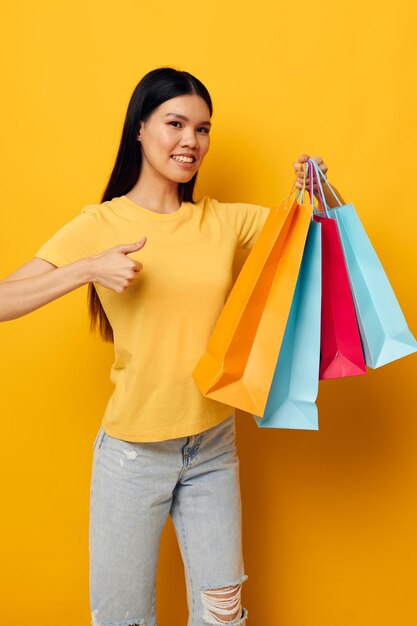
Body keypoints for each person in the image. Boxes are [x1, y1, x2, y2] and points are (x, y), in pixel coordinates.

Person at [0, 67, 342, 626]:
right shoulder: (102, 222)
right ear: (140, 129)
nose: (191, 141)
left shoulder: (223, 222)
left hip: (212, 448)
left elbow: (319, 240)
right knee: (123, 619)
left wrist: (318, 190)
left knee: (223, 617)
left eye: (202, 129)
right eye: (176, 124)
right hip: (132, 457)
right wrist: (87, 268)